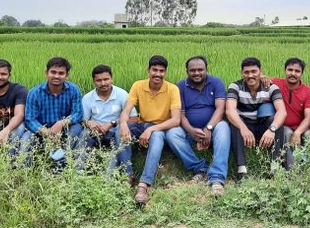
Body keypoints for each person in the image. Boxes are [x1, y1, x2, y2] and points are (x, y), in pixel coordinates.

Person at [118, 55, 181, 205]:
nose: (158, 74)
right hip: (143, 125)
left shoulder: (172, 89)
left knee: (157, 135)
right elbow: (126, 111)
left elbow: (176, 120)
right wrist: (123, 124)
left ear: (165, 72)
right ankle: (128, 175)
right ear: (148, 70)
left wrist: (152, 129)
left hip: (161, 128)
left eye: (161, 71)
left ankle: (144, 184)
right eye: (155, 70)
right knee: (118, 131)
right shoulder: (138, 85)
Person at [165, 56, 230, 195]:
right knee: (171, 133)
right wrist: (191, 131)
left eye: (200, 70)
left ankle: (217, 178)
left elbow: (220, 109)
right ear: (187, 71)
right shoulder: (181, 86)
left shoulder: (216, 82)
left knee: (224, 127)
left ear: (206, 69)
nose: (196, 73)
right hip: (189, 130)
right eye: (192, 70)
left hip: (213, 128)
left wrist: (209, 128)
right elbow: (180, 113)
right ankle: (200, 168)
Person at [226, 57, 287, 180]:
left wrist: (272, 129)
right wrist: (243, 128)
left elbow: (282, 111)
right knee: (235, 122)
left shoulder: (270, 87)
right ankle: (241, 169)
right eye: (246, 72)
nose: (250, 75)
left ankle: (275, 167)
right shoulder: (235, 86)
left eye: (254, 71)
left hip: (263, 125)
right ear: (242, 73)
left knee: (276, 122)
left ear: (260, 71)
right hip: (245, 125)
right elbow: (230, 110)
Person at [20, 57, 84, 168]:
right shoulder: (34, 93)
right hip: (41, 129)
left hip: (66, 128)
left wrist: (61, 123)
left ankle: (64, 165)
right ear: (46, 73)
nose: (56, 76)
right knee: (26, 140)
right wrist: (46, 132)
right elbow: (30, 119)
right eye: (53, 72)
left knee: (76, 129)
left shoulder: (74, 90)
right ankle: (25, 170)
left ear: (67, 75)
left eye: (61, 73)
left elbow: (78, 113)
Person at [80, 64, 138, 172]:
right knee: (83, 134)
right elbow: (82, 120)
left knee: (120, 132)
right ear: (94, 81)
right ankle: (78, 171)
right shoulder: (88, 98)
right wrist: (89, 123)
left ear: (111, 79)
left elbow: (134, 118)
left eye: (106, 79)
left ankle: (128, 174)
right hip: (96, 133)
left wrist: (113, 123)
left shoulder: (122, 94)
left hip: (115, 131)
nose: (103, 83)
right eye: (99, 80)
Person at [270, 57, 310, 170]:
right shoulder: (276, 83)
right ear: (285, 70)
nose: (293, 74)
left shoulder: (309, 92)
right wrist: (263, 78)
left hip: (303, 128)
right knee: (286, 132)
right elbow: (258, 79)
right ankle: (292, 172)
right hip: (283, 127)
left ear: (302, 73)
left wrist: (298, 132)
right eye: (290, 70)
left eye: (297, 71)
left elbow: (308, 118)